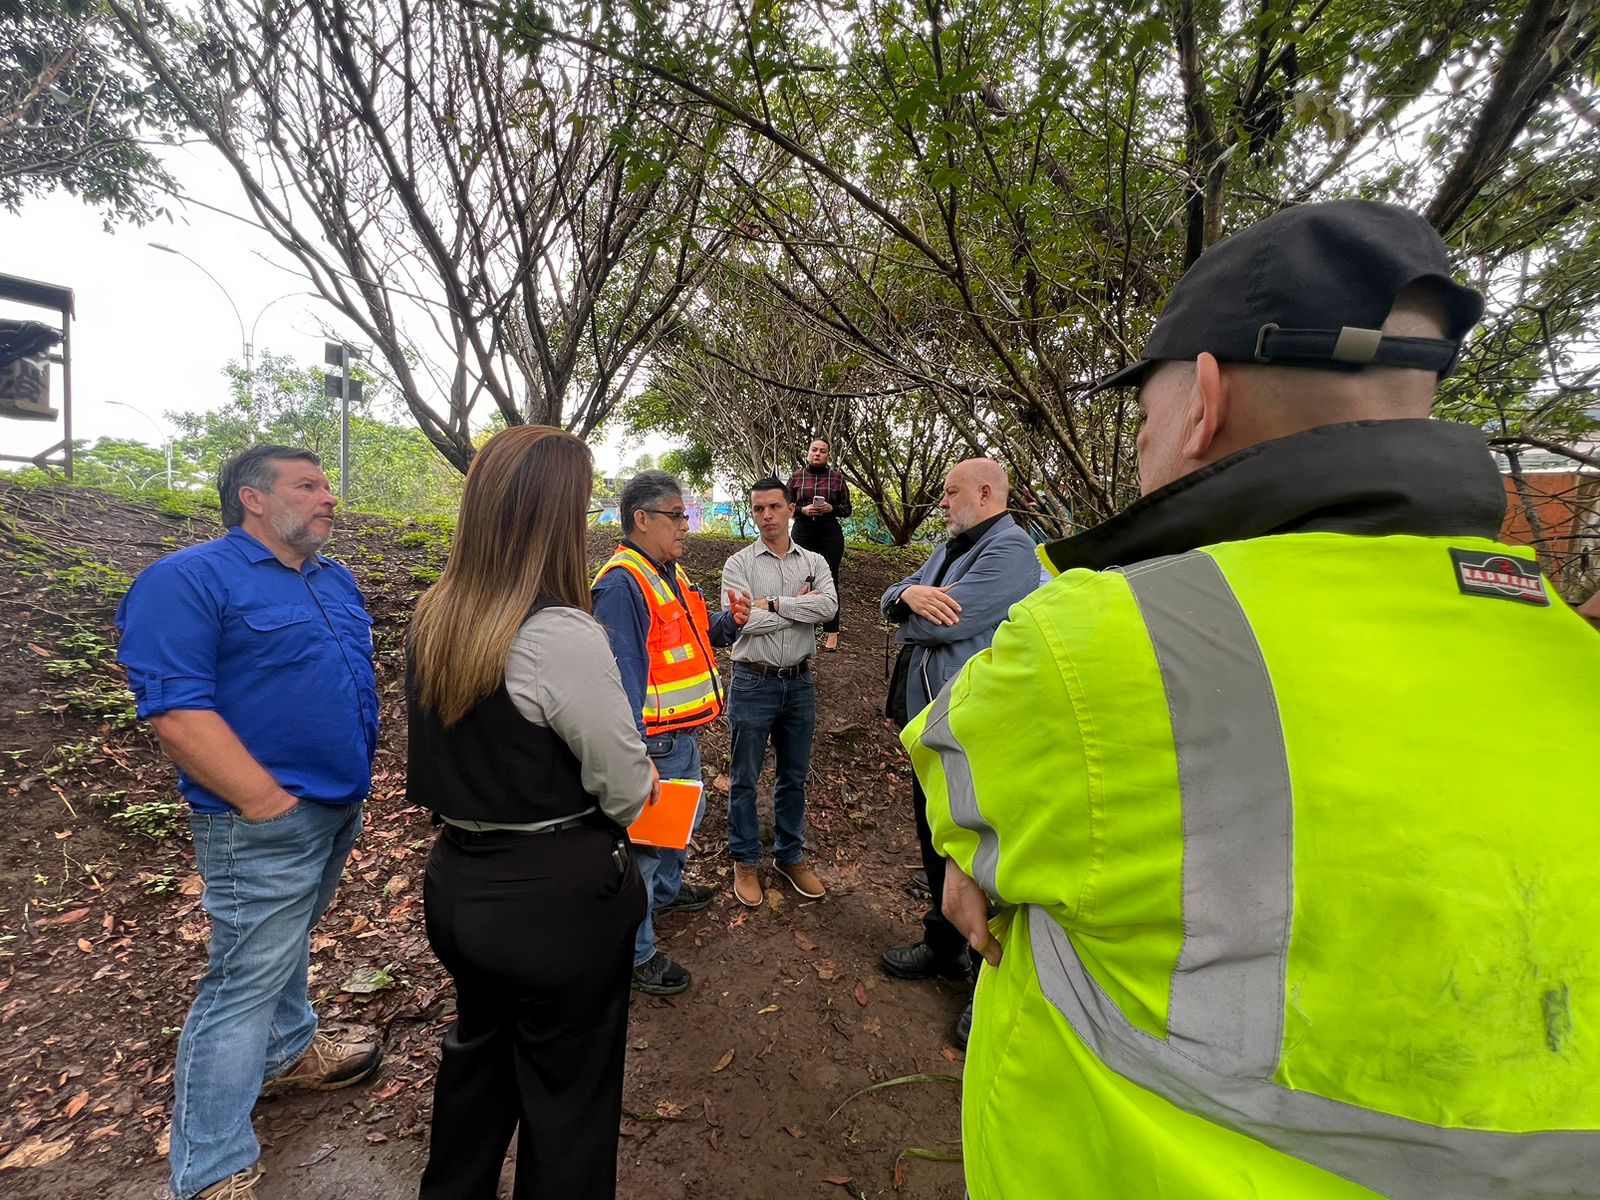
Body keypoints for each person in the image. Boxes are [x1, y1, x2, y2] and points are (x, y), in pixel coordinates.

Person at [906, 200, 1600, 1199]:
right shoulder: (1564, 644)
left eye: (1142, 416)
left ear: (1204, 398)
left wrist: (979, 860)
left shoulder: (1100, 640)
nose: (1141, 444)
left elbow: (959, 789)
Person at [116, 446, 382, 1200]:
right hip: (259, 820)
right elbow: (175, 710)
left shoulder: (332, 578)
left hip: (335, 804)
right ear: (253, 498)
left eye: (327, 484)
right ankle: (209, 1168)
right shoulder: (186, 579)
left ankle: (289, 1051)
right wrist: (265, 802)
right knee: (242, 982)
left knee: (280, 945)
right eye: (309, 485)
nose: (329, 497)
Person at [407, 426, 654, 1200]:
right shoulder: (559, 635)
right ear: (554, 518)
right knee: (570, 1102)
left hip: (457, 886)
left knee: (478, 1063)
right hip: (554, 904)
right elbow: (624, 788)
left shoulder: (435, 614)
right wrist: (642, 782)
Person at [877, 458, 1037, 1044]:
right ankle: (943, 945)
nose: (941, 502)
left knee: (973, 847)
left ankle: (983, 980)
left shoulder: (1012, 549)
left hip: (971, 724)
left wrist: (908, 611)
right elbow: (895, 597)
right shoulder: (952, 546)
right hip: (931, 718)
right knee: (933, 830)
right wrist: (908, 593)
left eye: (950, 492)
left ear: (985, 492)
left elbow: (945, 623)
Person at [592, 470, 748, 996]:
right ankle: (637, 955)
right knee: (642, 850)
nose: (686, 525)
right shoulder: (621, 584)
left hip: (681, 737)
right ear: (642, 519)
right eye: (677, 515)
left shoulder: (667, 572)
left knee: (677, 829)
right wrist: (635, 754)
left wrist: (730, 624)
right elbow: (621, 679)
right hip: (654, 745)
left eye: (685, 515)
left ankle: (666, 894)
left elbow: (693, 638)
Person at [719, 477, 838, 906]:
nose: (766, 516)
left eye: (773, 507)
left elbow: (829, 607)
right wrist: (798, 608)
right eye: (758, 509)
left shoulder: (814, 560)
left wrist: (771, 603)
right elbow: (740, 622)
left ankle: (789, 854)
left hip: (799, 682)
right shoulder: (738, 564)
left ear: (791, 508)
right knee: (744, 778)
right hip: (753, 681)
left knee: (793, 776)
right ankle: (745, 859)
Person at [787, 435, 851, 651]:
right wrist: (802, 510)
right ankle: (801, 625)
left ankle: (831, 631)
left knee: (829, 579)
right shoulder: (796, 477)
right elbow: (784, 505)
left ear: (828, 455)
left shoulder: (837, 478)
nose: (817, 454)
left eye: (822, 451)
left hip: (829, 533)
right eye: (814, 449)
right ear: (808, 452)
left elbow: (847, 509)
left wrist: (831, 508)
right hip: (802, 531)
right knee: (800, 578)